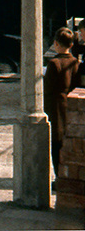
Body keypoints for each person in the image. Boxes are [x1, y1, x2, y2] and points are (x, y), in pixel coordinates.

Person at [44, 27, 79, 177]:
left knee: (56, 142)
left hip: (55, 105)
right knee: (67, 140)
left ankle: (59, 176)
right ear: (71, 45)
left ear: (55, 43)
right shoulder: (75, 62)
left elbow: (47, 88)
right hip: (70, 104)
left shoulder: (53, 63)